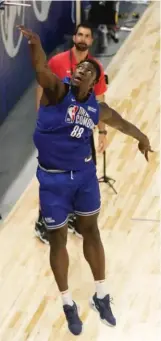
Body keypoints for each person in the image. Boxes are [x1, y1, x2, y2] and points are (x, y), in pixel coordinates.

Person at [17, 25, 152, 336]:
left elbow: (122, 122)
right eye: (80, 67)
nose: (82, 70)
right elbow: (40, 68)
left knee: (91, 231)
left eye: (89, 69)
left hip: (85, 178)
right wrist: (35, 44)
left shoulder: (97, 108)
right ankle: (67, 302)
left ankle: (101, 295)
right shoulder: (57, 91)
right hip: (53, 180)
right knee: (57, 238)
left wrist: (142, 137)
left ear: (96, 81)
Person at [35, 22, 108, 244]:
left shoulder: (95, 67)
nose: (83, 39)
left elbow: (100, 100)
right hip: (57, 132)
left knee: (83, 174)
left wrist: (103, 132)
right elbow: (42, 86)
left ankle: (76, 217)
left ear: (91, 41)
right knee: (52, 179)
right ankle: (43, 223)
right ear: (74, 37)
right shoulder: (58, 62)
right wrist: (41, 117)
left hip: (81, 133)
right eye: (79, 34)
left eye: (87, 35)